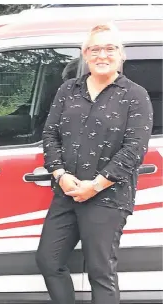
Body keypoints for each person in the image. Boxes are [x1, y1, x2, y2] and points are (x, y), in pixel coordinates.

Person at [36, 23, 153, 304]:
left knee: (100, 271)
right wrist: (60, 174)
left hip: (108, 196)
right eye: (95, 49)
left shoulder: (135, 95)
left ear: (121, 55)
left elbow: (134, 150)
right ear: (85, 55)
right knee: (48, 261)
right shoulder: (68, 90)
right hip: (67, 191)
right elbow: (50, 134)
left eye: (110, 48)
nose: (103, 55)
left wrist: (97, 185)